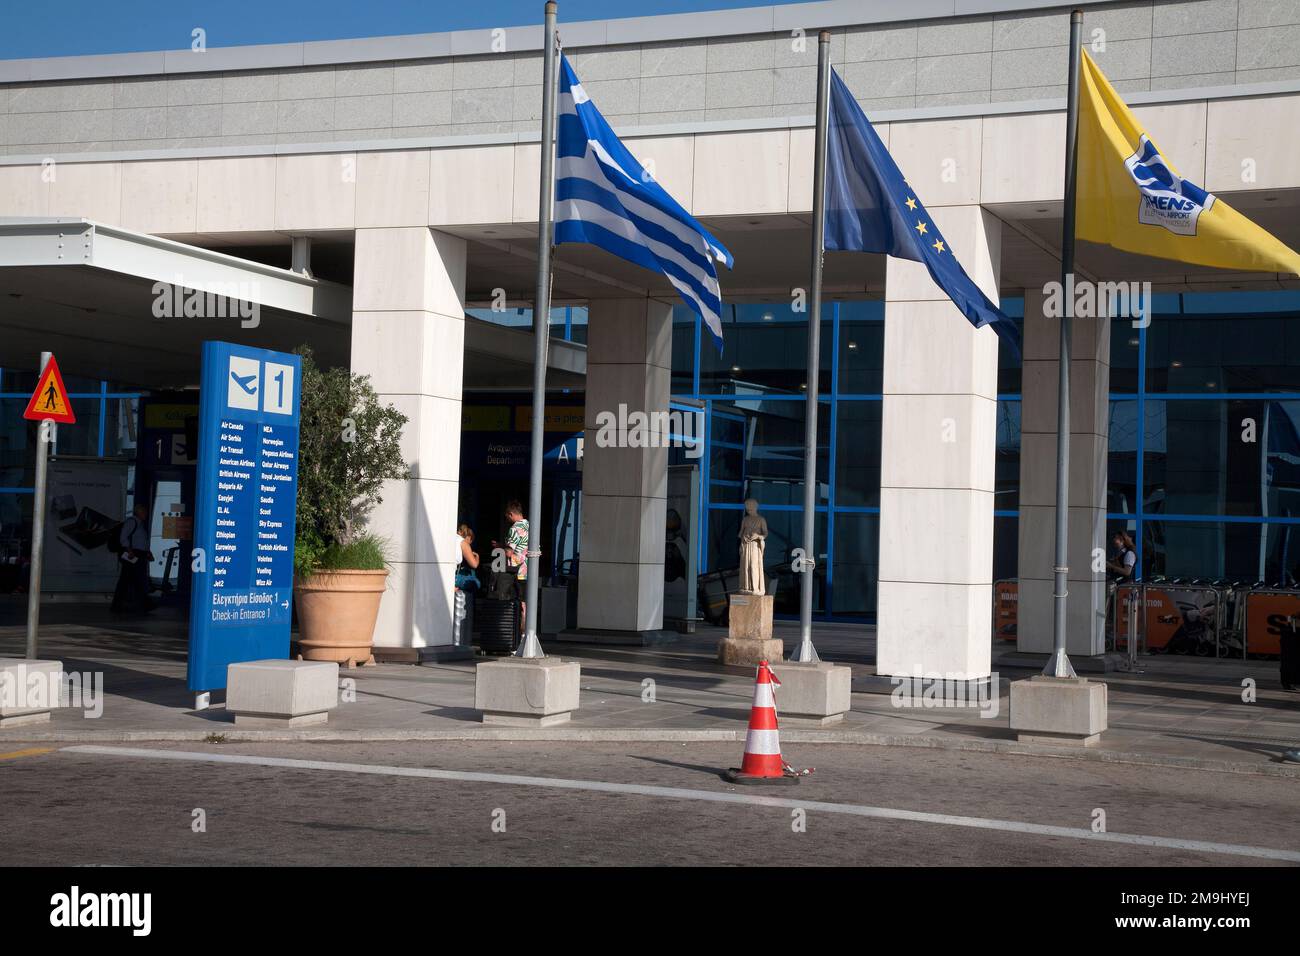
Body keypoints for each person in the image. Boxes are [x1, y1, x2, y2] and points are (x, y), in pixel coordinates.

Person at [111, 503, 154, 614]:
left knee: (130, 580)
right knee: (133, 580)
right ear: (139, 512)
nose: (146, 514)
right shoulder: (132, 522)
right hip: (132, 556)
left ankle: (121, 605)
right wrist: (129, 550)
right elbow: (123, 537)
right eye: (144, 512)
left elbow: (141, 541)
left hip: (137, 555)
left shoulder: (139, 524)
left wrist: (147, 552)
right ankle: (144, 604)